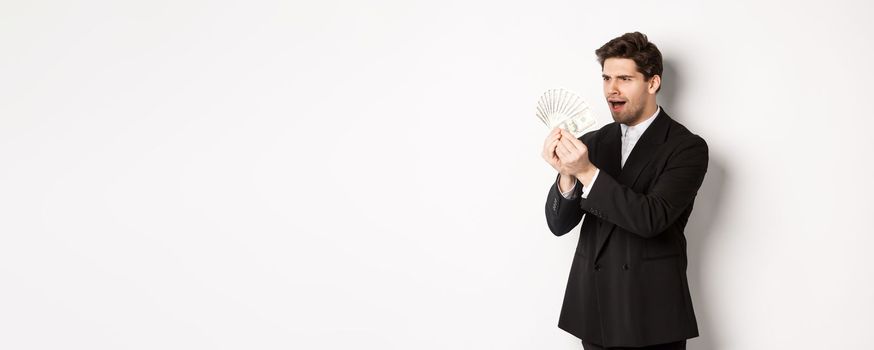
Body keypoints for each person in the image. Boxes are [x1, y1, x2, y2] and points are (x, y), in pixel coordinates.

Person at [542, 32, 709, 350]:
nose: (611, 90)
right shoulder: (592, 142)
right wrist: (566, 176)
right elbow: (559, 225)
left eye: (624, 78)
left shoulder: (686, 147)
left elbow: (651, 218)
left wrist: (587, 172)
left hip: (651, 315)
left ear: (653, 83)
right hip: (594, 310)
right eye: (606, 78)